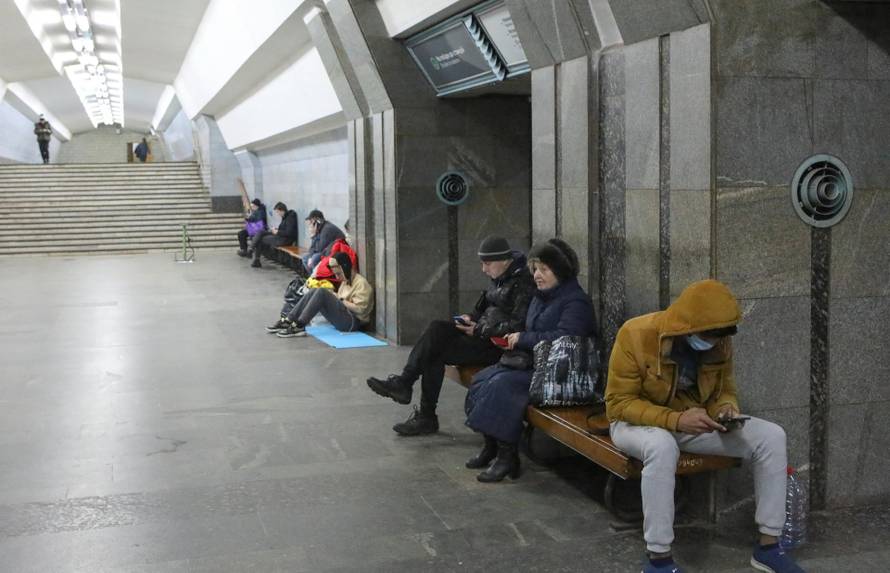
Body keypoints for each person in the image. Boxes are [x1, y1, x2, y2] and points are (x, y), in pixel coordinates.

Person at [605, 279, 805, 573]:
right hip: (634, 424)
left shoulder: (719, 342)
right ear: (687, 325)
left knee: (772, 436)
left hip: (692, 423)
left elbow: (724, 389)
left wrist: (726, 409)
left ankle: (769, 546)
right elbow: (618, 403)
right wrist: (675, 420)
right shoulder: (635, 333)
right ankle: (658, 559)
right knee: (661, 446)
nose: (712, 342)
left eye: (718, 336)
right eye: (708, 335)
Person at [366, 236, 536, 436]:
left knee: (435, 350)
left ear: (504, 260)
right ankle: (410, 391)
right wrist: (470, 318)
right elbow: (484, 309)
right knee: (437, 330)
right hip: (483, 335)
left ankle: (415, 399)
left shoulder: (524, 284)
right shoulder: (500, 278)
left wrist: (479, 329)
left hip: (500, 348)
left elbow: (517, 326)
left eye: (487, 263)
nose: (484, 269)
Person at [464, 238, 596, 482]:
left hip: (562, 372)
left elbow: (567, 339)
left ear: (561, 271)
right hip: (536, 364)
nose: (537, 275)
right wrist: (512, 339)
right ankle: (491, 446)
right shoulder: (540, 296)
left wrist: (523, 339)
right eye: (535, 269)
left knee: (503, 385)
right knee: (483, 378)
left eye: (544, 269)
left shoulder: (576, 301)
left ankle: (507, 456)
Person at [274, 252, 373, 337]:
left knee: (322, 292)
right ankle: (289, 319)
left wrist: (339, 299)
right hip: (345, 317)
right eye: (335, 274)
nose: (337, 277)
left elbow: (361, 309)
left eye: (338, 274)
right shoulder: (346, 281)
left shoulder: (361, 283)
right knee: (315, 289)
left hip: (352, 322)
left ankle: (300, 325)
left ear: (345, 268)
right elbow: (339, 298)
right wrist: (334, 295)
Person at [250, 202, 298, 268]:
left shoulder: (290, 217)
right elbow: (284, 229)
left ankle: (255, 257)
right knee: (261, 232)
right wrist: (275, 229)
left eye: (278, 212)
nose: (277, 214)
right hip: (280, 236)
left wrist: (277, 232)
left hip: (284, 240)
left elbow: (289, 232)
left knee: (260, 239)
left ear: (282, 210)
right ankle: (251, 250)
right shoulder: (285, 217)